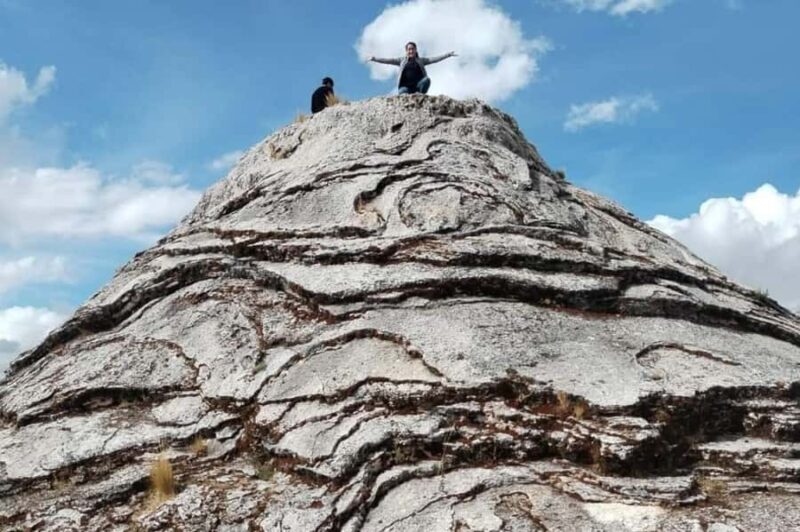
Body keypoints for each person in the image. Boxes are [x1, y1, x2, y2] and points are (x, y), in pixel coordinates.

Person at [369, 42, 456, 95]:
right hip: (405, 87)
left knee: (427, 80)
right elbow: (388, 60)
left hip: (417, 87)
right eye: (409, 49)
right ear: (406, 51)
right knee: (403, 93)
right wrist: (375, 59)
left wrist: (448, 55)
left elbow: (434, 59)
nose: (411, 51)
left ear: (415, 50)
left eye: (412, 49)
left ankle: (420, 95)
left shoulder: (421, 60)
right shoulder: (401, 61)